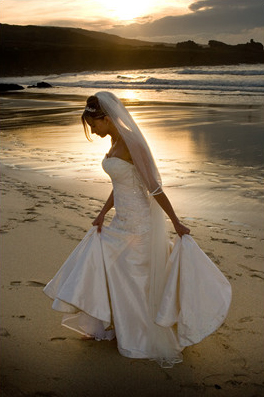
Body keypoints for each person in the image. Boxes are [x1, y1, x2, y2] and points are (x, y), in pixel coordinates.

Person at [44, 92, 231, 368]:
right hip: (121, 222)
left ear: (106, 119)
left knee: (134, 281)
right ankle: (112, 326)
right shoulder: (115, 142)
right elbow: (120, 185)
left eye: (93, 125)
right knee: (107, 265)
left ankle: (141, 336)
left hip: (139, 226)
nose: (93, 132)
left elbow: (154, 188)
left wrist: (176, 222)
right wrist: (102, 212)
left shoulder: (133, 145)